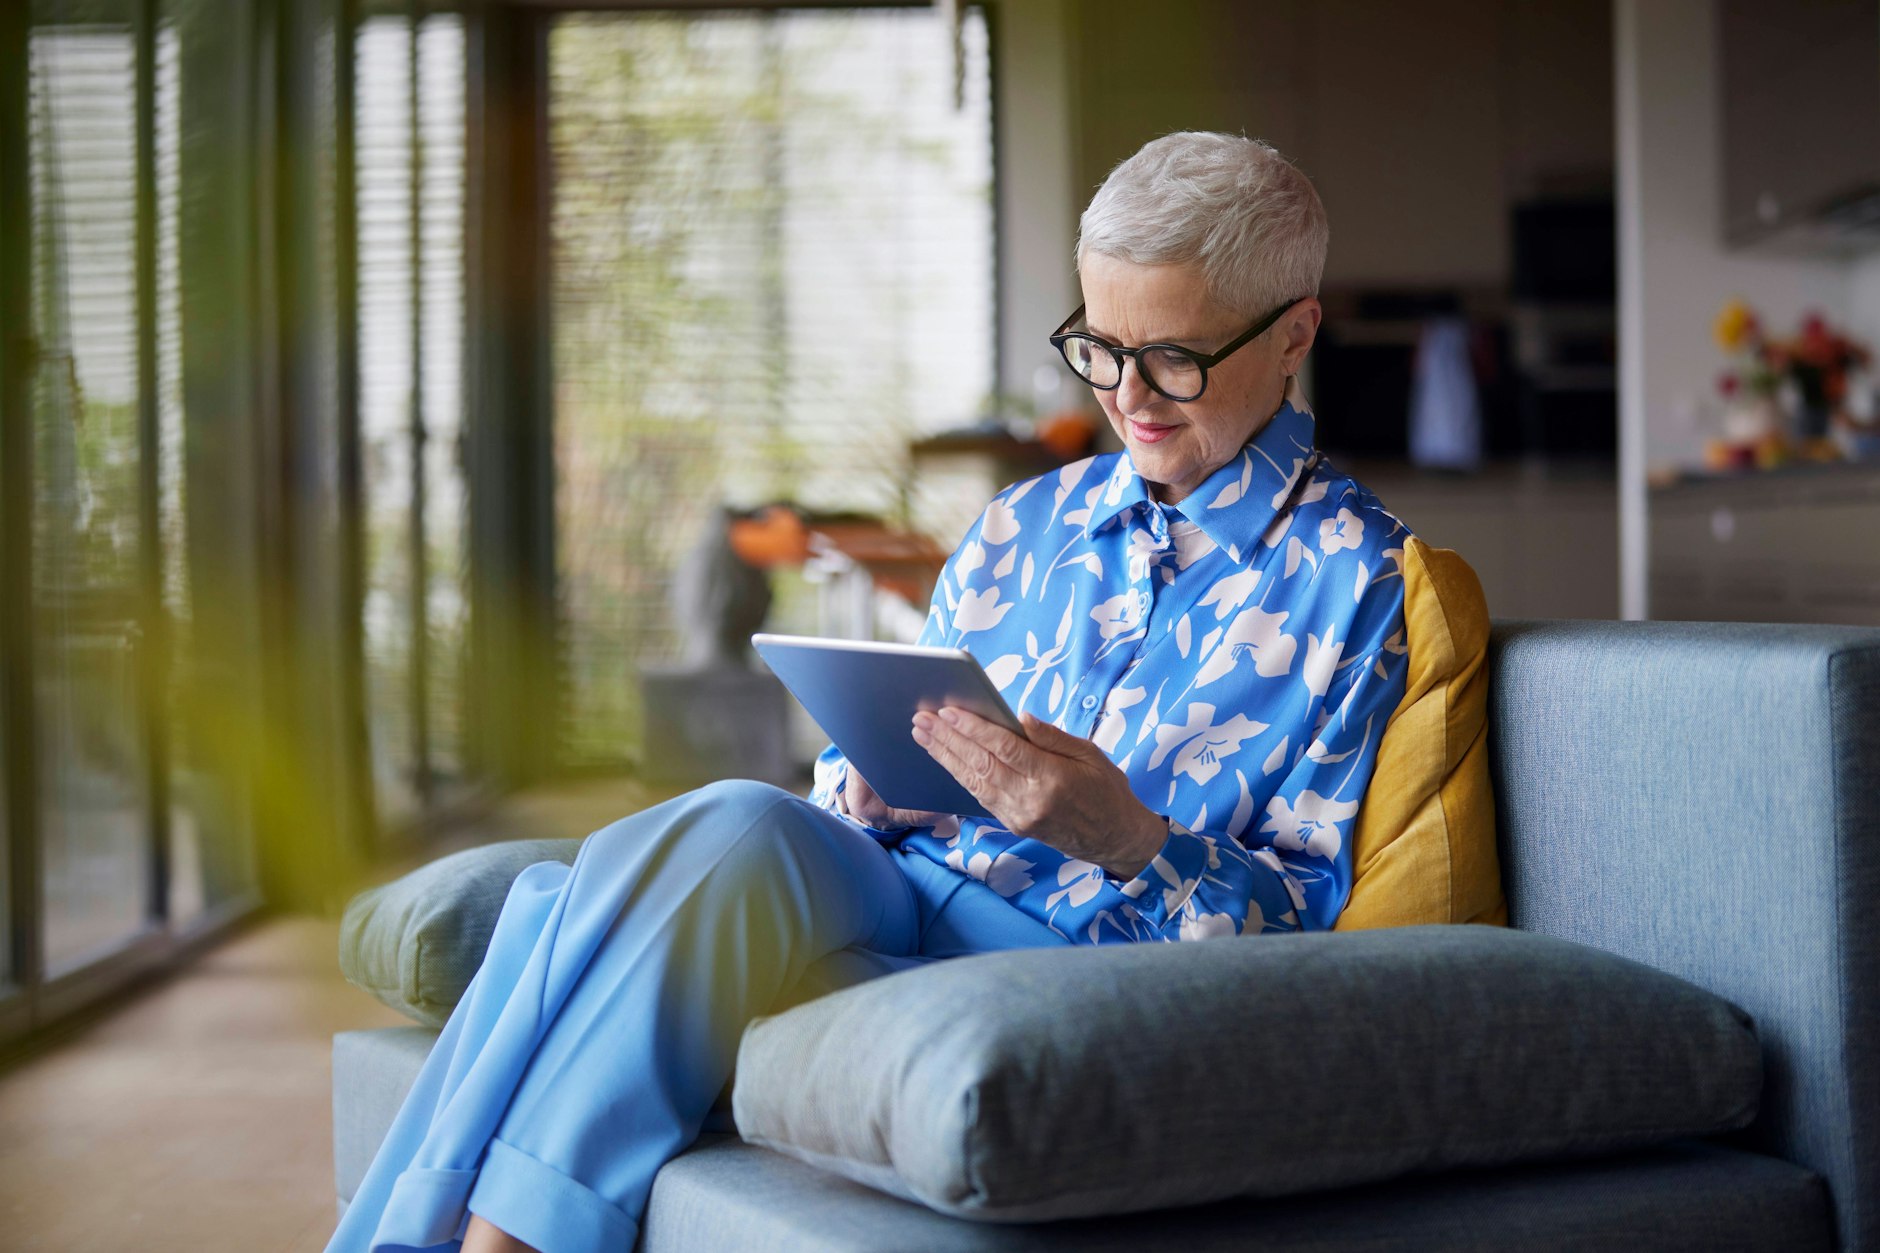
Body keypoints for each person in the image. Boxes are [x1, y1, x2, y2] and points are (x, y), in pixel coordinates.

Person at [328, 130, 1413, 1253]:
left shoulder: (1360, 582)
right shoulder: (1023, 524)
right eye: (1099, 347)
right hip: (898, 888)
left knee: (579, 913)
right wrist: (869, 787)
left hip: (1080, 963)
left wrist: (1129, 836)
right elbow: (852, 783)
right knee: (714, 833)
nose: (1127, 396)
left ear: (1292, 335)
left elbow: (1305, 938)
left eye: (1174, 358)